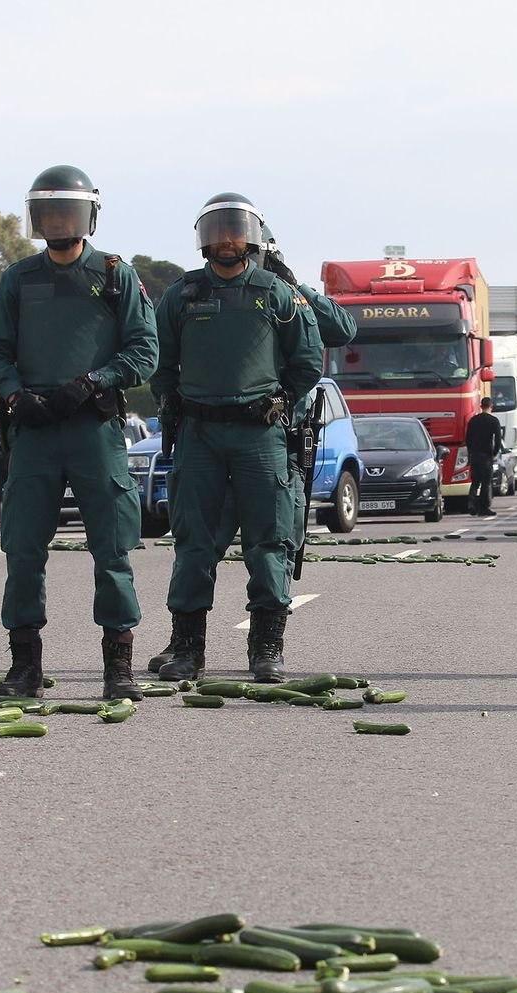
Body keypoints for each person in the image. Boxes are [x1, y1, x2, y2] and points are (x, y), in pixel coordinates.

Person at [0, 164, 158, 700]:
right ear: (35, 218)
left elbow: (144, 350)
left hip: (93, 429)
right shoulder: (19, 278)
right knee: (23, 549)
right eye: (48, 212)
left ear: (89, 216)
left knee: (113, 548)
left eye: (67, 211)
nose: (58, 221)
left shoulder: (113, 275)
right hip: (33, 431)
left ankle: (118, 667)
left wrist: (94, 381)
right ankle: (24, 667)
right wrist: (14, 394)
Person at [146, 221, 354, 676]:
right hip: (200, 432)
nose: (226, 241)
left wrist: (282, 401)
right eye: (218, 232)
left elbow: (312, 354)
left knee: (271, 542)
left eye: (236, 233)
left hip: (262, 434)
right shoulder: (181, 295)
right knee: (194, 543)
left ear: (255, 241)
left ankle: (266, 648)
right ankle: (186, 648)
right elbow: (159, 360)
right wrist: (173, 402)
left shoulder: (278, 293)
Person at [464, 396, 502, 516]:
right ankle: (484, 508)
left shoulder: (473, 420)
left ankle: (471, 505)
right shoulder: (494, 421)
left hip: (475, 454)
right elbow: (498, 440)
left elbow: (468, 438)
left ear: (481, 406)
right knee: (486, 482)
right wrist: (494, 453)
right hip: (486, 455)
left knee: (475, 481)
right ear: (491, 407)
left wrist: (470, 452)